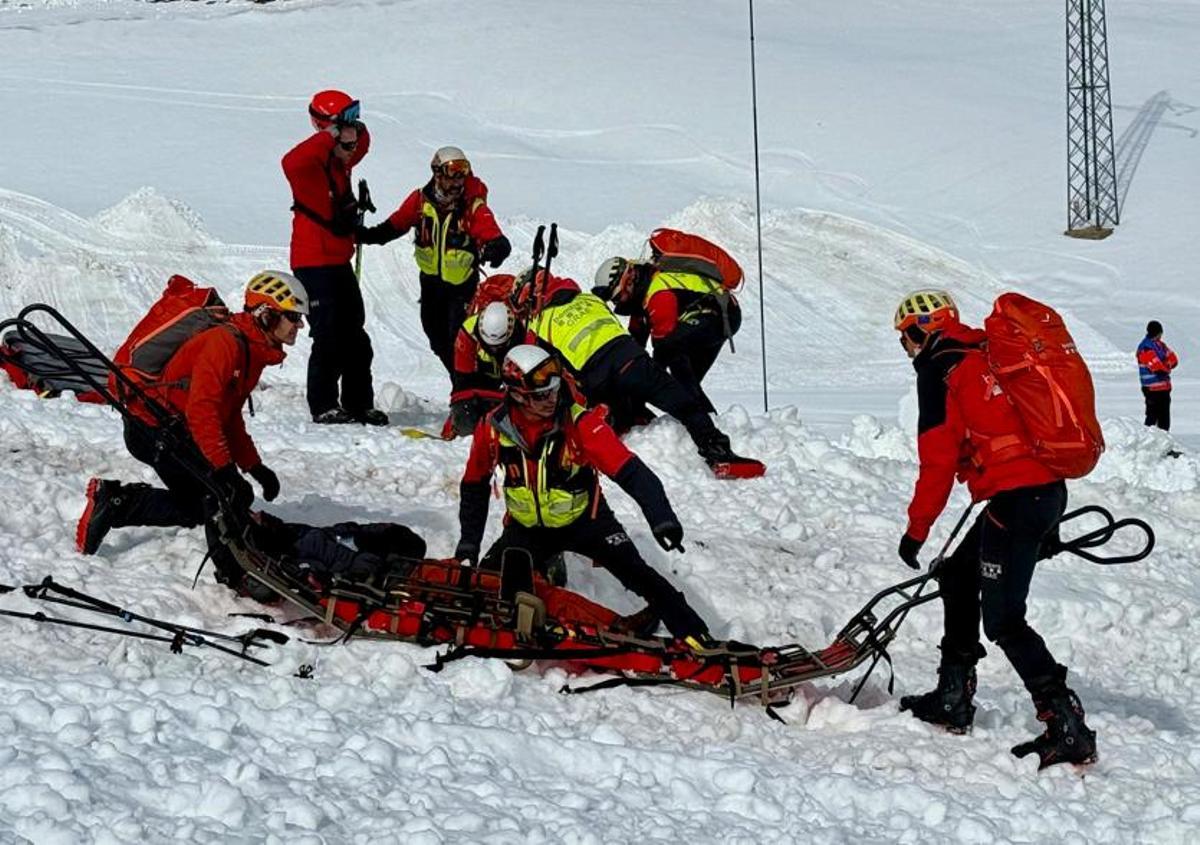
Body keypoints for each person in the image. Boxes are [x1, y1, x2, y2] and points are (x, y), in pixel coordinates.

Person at [892, 289, 1096, 770]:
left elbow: (938, 460)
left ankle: (1066, 725)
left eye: (905, 337)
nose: (906, 349)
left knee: (1004, 620)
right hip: (1042, 493)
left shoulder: (940, 368)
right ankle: (952, 696)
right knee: (958, 575)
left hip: (1016, 500)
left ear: (921, 329)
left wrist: (916, 529)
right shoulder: (987, 352)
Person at [454, 344, 711, 644]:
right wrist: (468, 547)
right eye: (540, 395)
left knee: (638, 574)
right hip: (527, 529)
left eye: (553, 389)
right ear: (516, 394)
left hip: (587, 522)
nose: (551, 399)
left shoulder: (582, 423)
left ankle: (698, 637)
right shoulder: (492, 429)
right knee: (488, 585)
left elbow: (632, 472)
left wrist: (661, 518)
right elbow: (474, 485)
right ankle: (570, 612)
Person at [76, 271, 308, 558]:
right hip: (152, 428)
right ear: (266, 314)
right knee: (215, 499)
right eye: (293, 316)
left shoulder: (252, 348)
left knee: (226, 496)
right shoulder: (225, 343)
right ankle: (117, 502)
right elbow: (202, 410)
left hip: (173, 428)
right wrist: (225, 470)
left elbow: (229, 415)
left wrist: (253, 467)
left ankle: (118, 502)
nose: (299, 325)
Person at [514, 268, 763, 478]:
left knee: (616, 406)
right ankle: (718, 453)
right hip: (631, 361)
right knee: (683, 403)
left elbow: (542, 370)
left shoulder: (537, 325)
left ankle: (612, 419)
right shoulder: (589, 300)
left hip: (595, 380)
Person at [282, 89, 386, 426]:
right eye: (347, 126)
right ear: (327, 129)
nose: (352, 145)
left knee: (356, 335)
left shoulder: (340, 163)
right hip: (313, 263)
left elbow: (364, 145)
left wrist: (351, 130)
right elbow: (290, 161)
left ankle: (358, 403)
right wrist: (330, 134)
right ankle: (324, 404)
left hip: (338, 261)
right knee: (328, 335)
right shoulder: (311, 166)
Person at [357, 146, 512, 373]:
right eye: (453, 171)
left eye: (464, 170)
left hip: (462, 286)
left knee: (458, 339)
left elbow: (490, 230)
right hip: (431, 282)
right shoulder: (421, 201)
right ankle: (462, 385)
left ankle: (467, 388)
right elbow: (395, 225)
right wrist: (365, 235)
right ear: (437, 172)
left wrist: (497, 246)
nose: (459, 179)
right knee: (436, 336)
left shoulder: (471, 205)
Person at [593, 254, 741, 414]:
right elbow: (634, 347)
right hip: (711, 314)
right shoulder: (640, 301)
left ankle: (705, 421)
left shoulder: (658, 293)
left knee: (672, 354)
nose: (618, 303)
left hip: (719, 314)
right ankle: (709, 420)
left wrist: (641, 391)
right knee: (684, 380)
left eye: (617, 297)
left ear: (629, 281)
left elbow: (662, 350)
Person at [447, 300, 524, 437]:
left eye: (499, 345)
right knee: (465, 419)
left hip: (513, 376)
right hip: (483, 375)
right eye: (490, 345)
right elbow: (462, 380)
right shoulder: (467, 332)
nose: (494, 349)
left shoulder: (523, 333)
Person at [1137, 319, 1179, 431]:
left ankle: (1164, 443)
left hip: (1164, 388)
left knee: (1164, 420)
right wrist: (1165, 365)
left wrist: (1165, 365)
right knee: (1151, 418)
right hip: (1152, 389)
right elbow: (1157, 368)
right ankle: (1147, 442)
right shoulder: (1145, 348)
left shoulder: (1161, 346)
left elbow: (1174, 360)